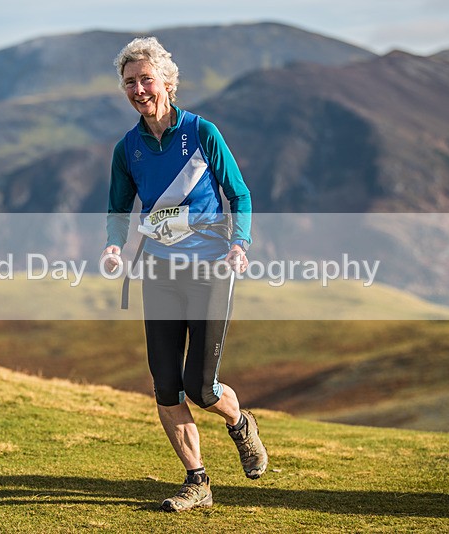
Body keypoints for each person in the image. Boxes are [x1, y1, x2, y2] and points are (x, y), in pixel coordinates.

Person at [102, 37, 268, 512]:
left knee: (200, 385)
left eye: (146, 79)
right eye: (129, 82)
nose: (138, 89)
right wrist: (114, 245)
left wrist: (241, 243)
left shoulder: (202, 133)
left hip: (211, 268)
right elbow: (118, 207)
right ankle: (198, 481)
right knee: (165, 383)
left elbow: (240, 195)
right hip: (158, 270)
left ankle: (240, 423)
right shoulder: (127, 148)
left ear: (167, 83)